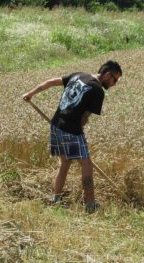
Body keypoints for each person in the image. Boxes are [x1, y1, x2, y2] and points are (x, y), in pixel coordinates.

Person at [22, 60, 122, 213]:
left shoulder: (78, 75)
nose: (115, 83)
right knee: (86, 165)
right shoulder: (97, 90)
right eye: (115, 79)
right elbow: (84, 117)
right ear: (107, 75)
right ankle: (90, 204)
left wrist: (30, 94)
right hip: (71, 130)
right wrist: (79, 132)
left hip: (56, 125)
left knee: (65, 163)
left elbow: (51, 81)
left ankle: (56, 197)